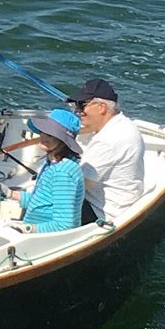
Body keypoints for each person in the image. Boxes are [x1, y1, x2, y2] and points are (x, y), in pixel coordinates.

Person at [69, 77, 145, 221]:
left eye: (81, 105)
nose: (78, 112)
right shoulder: (125, 125)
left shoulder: (107, 140)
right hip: (123, 203)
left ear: (102, 107)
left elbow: (77, 185)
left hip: (100, 211)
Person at [15, 109, 86, 231]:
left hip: (45, 237)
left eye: (50, 134)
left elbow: (64, 225)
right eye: (43, 131)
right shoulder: (53, 163)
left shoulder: (62, 172)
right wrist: (9, 194)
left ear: (64, 140)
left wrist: (26, 229)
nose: (43, 136)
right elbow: (40, 202)